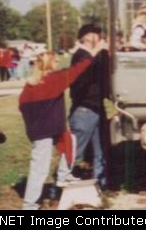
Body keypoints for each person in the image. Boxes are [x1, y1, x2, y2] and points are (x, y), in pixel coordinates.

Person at [19, 48, 104, 210]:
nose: (58, 63)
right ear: (49, 64)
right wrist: (90, 57)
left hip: (45, 130)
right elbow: (75, 71)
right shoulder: (54, 80)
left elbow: (21, 105)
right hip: (46, 132)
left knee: (70, 140)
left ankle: (64, 175)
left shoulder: (30, 85)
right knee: (40, 170)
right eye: (55, 60)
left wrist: (34, 122)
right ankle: (29, 205)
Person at [56, 25, 110, 188]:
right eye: (97, 35)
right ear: (87, 37)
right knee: (75, 150)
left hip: (95, 108)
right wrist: (99, 50)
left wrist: (106, 52)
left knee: (100, 150)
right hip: (84, 110)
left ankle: (100, 184)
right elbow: (85, 71)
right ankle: (60, 181)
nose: (100, 38)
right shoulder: (81, 56)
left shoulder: (94, 56)